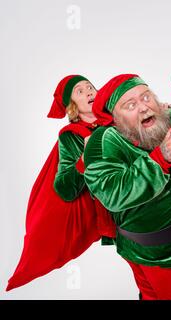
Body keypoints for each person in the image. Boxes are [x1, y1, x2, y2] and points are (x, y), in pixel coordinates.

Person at [83, 74, 171, 300]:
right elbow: (112, 193)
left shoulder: (170, 117)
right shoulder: (104, 140)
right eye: (131, 105)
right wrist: (159, 160)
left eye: (146, 97)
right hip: (158, 253)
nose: (144, 107)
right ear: (114, 119)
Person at [7, 75, 115, 291]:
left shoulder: (118, 116)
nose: (89, 91)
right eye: (80, 91)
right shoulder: (70, 137)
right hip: (118, 211)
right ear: (72, 106)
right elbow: (65, 189)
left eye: (90, 87)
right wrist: (85, 158)